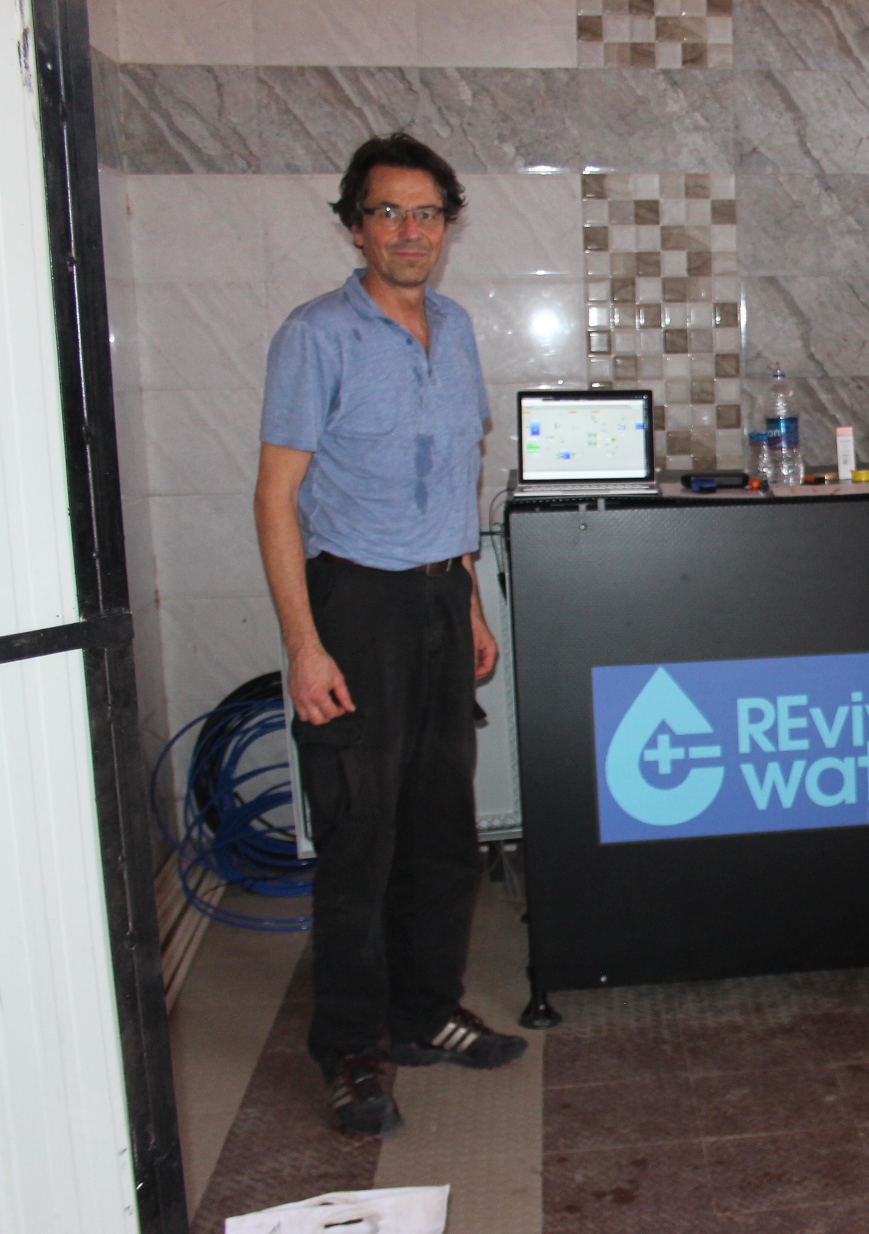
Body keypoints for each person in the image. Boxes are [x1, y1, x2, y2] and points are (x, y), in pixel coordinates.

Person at [254, 132, 527, 1139]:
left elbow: (454, 475)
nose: (410, 231)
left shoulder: (453, 328)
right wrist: (304, 645)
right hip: (353, 606)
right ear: (354, 226)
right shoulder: (316, 335)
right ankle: (348, 1047)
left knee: (442, 832)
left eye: (427, 213)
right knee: (359, 839)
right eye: (387, 212)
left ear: (447, 225)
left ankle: (423, 1013)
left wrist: (469, 601)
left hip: (437, 600)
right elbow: (275, 497)